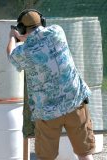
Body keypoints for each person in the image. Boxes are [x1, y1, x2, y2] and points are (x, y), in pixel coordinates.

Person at [7, 9, 95, 160]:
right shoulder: (57, 32)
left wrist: (13, 38)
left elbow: (10, 55)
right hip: (74, 102)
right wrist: (23, 37)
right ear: (42, 21)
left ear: (22, 28)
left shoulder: (23, 51)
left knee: (46, 157)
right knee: (84, 153)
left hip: (48, 112)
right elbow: (39, 38)